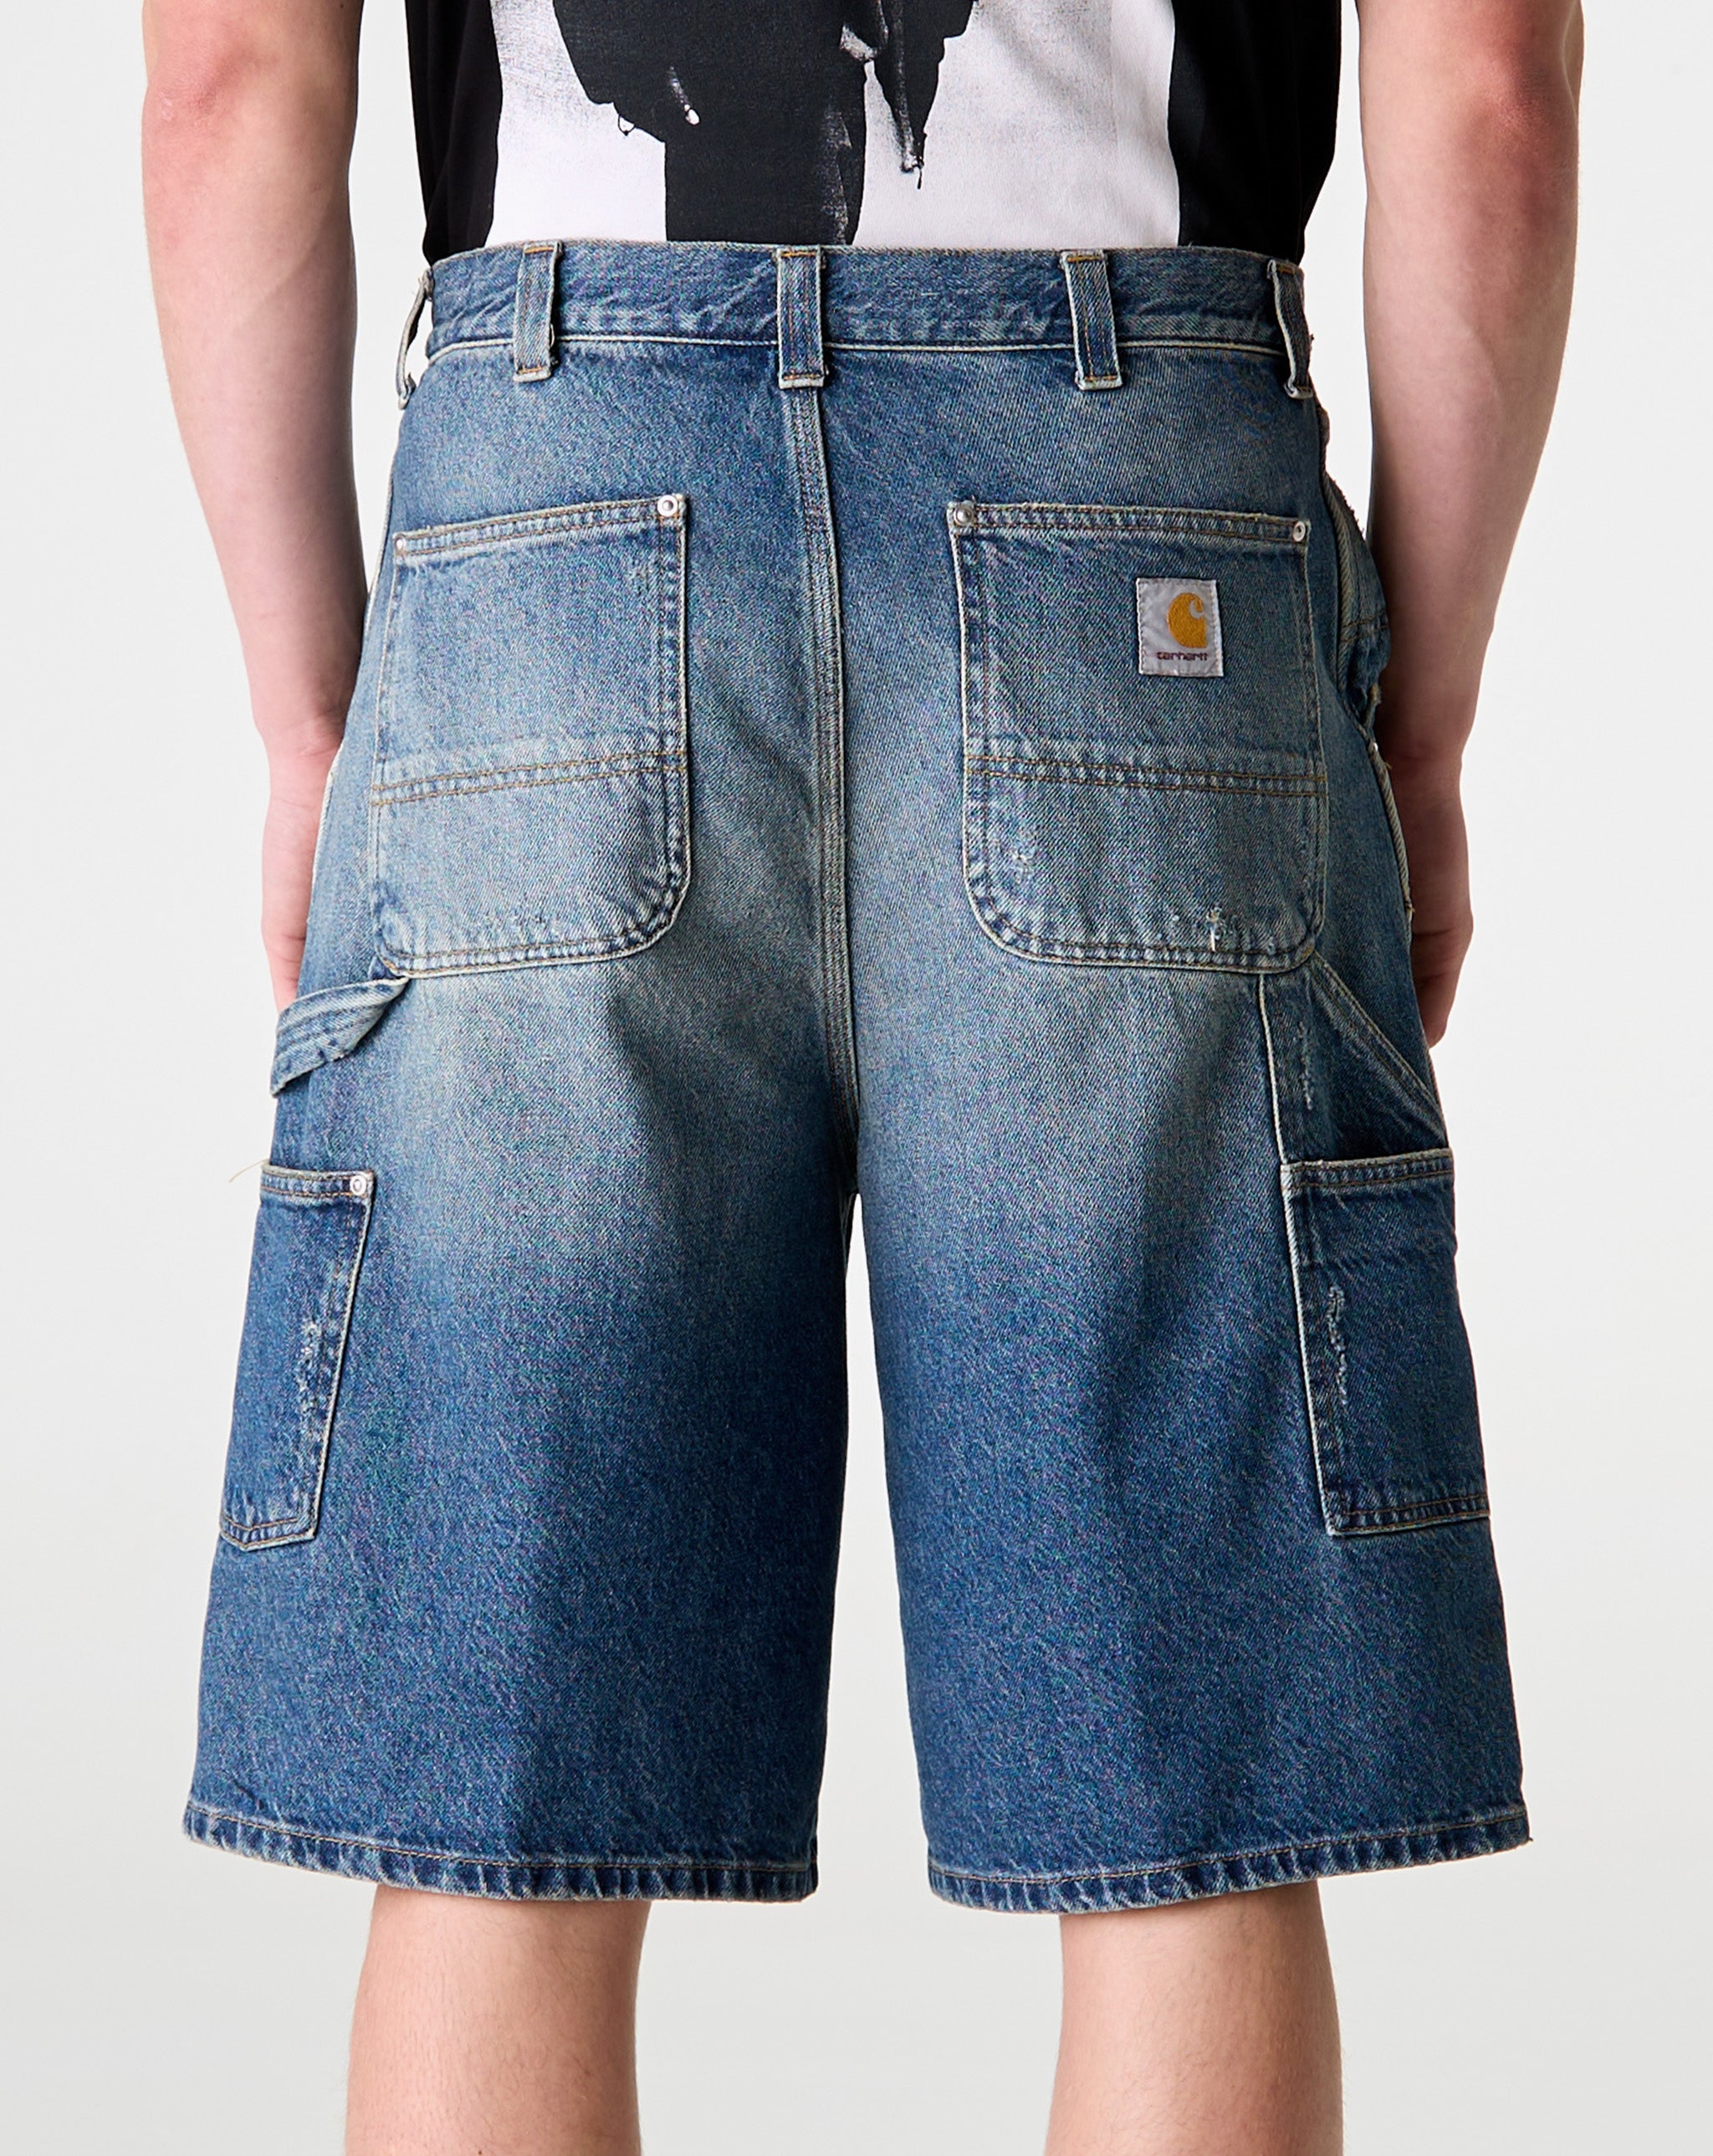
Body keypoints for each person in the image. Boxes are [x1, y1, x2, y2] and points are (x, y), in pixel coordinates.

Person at [141, 3, 1583, 2148]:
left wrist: (304, 716)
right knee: (1181, 1793)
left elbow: (227, 80)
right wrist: (1423, 724)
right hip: (1132, 498)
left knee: (496, 1809)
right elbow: (1488, 91)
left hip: (554, 503)